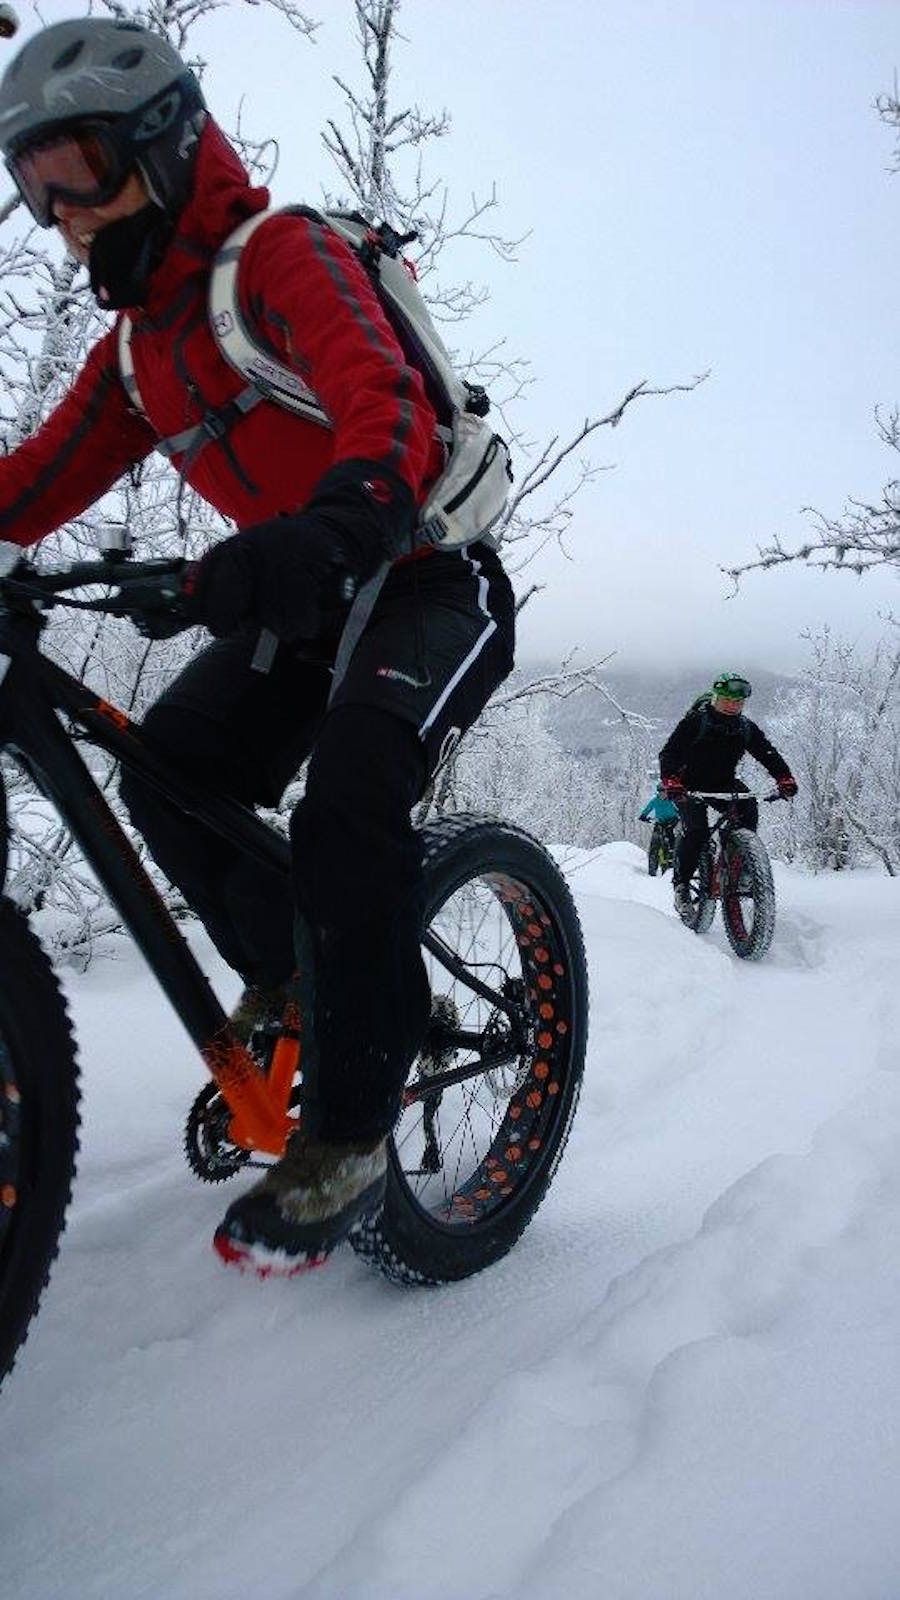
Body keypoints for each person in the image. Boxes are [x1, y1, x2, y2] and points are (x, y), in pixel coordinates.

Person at [0, 18, 515, 1275]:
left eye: (84, 170)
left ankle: (348, 1127)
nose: (65, 214)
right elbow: (29, 484)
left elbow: (380, 402)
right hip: (310, 590)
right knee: (166, 764)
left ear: (167, 151)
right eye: (34, 187)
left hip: (425, 574)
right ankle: (308, 974)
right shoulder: (139, 350)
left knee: (348, 800)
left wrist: (331, 529)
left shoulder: (275, 259)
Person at [658, 673, 797, 914]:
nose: (733, 705)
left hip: (723, 783)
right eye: (727, 700)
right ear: (715, 698)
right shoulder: (695, 722)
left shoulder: (745, 727)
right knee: (697, 831)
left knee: (748, 807)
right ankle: (681, 887)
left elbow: (767, 753)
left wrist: (784, 778)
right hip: (687, 785)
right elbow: (669, 753)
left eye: (738, 702)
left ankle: (740, 863)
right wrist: (671, 781)